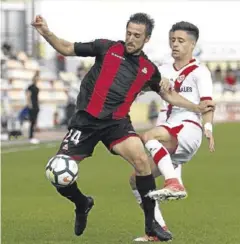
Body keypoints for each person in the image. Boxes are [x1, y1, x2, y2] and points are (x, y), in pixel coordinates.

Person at [31, 14, 214, 241]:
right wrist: (47, 32)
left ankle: (151, 226)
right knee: (57, 174)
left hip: (116, 124)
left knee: (140, 160)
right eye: (128, 33)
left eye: (137, 36)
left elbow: (168, 94)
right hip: (85, 121)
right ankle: (82, 202)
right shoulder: (106, 48)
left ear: (146, 39)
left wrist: (196, 107)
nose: (130, 39)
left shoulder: (148, 69)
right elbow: (67, 48)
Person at [130, 21, 215, 241]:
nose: (175, 45)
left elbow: (207, 104)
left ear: (192, 44)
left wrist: (208, 127)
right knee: (137, 179)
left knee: (149, 135)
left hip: (188, 129)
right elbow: (140, 85)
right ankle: (157, 230)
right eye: (172, 40)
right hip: (168, 135)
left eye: (180, 41)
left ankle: (174, 183)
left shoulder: (200, 72)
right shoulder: (163, 69)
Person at [26, 70, 40, 144]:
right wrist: (29, 104)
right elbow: (28, 96)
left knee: (34, 122)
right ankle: (31, 136)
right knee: (32, 122)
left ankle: (32, 136)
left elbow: (37, 97)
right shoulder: (30, 87)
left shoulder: (36, 87)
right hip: (32, 105)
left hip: (36, 105)